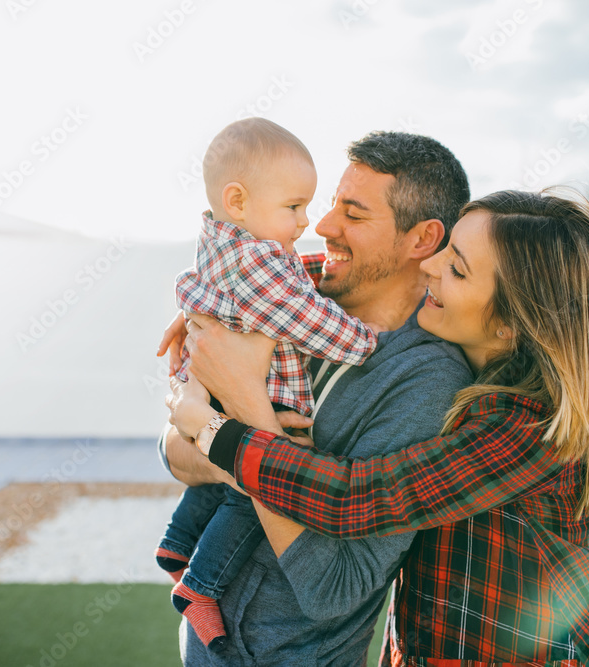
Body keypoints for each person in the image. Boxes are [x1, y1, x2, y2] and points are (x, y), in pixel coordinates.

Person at [169, 189, 589, 666]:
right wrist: (227, 299)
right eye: (445, 250)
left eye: (457, 269)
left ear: (511, 322)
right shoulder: (475, 354)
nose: (429, 267)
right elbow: (329, 276)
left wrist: (217, 428)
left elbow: (357, 496)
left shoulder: (526, 428)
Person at [158, 131, 474, 665]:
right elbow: (172, 450)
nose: (321, 226)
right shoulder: (293, 302)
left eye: (353, 213)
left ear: (423, 239)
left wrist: (244, 408)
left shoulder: (426, 381)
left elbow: (334, 591)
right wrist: (216, 442)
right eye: (328, 204)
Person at [156, 117, 381, 652]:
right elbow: (309, 317)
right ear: (238, 200)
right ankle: (200, 586)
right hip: (261, 393)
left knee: (217, 470)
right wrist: (367, 342)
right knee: (253, 488)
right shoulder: (263, 263)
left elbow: (290, 281)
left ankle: (178, 541)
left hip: (209, 390)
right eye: (294, 207)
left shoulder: (224, 239)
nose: (307, 222)